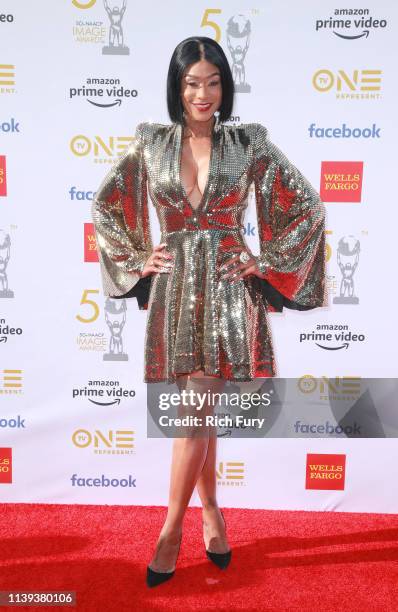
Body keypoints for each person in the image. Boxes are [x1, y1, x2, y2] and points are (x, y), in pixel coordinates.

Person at [91, 36, 327, 588]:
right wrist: (136, 256)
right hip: (174, 294)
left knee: (195, 412)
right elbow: (106, 202)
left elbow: (307, 206)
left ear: (225, 85)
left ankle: (170, 528)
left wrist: (264, 261)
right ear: (177, 87)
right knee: (200, 413)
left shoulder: (248, 144)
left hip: (225, 290)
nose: (203, 93)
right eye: (192, 82)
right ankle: (212, 513)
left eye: (213, 81)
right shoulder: (152, 143)